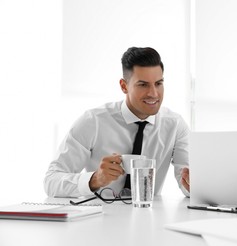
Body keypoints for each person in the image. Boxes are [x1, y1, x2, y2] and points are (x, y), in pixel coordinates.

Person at [44, 47, 190, 198]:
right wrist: (94, 179)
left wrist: (192, 185)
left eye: (158, 83)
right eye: (143, 85)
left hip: (150, 217)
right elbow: (51, 181)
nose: (153, 93)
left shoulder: (175, 125)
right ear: (124, 86)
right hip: (99, 218)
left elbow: (188, 185)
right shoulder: (93, 122)